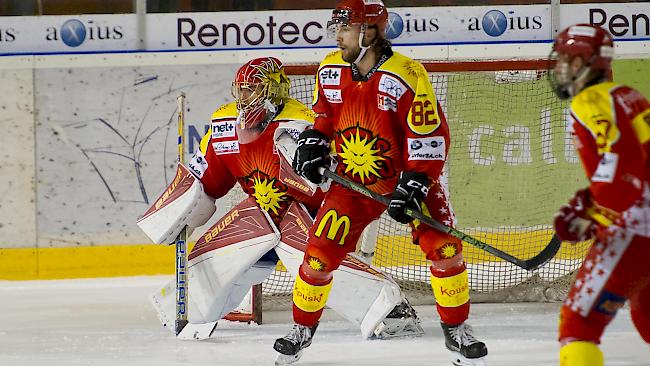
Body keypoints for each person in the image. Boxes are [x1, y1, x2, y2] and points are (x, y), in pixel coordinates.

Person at [137, 56, 423, 343]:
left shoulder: (302, 123)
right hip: (260, 212)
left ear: (273, 89)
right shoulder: (224, 125)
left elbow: (330, 178)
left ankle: (388, 308)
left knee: (312, 256)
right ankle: (186, 310)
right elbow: (206, 179)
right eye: (241, 89)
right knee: (210, 252)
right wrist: (182, 206)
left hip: (311, 214)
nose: (244, 97)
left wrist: (315, 166)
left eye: (252, 89)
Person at [274, 1, 488, 365]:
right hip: (352, 184)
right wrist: (314, 142)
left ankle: (457, 330)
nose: (337, 35)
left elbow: (430, 137)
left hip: (406, 179)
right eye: (337, 28)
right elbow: (325, 117)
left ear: (369, 31)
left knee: (446, 248)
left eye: (346, 28)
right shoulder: (330, 70)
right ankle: (301, 331)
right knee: (317, 257)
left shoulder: (406, 74)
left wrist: (417, 182)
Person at [550, 24, 650, 365]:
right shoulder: (628, 95)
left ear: (590, 62)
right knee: (647, 317)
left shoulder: (591, 99)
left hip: (637, 228)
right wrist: (592, 203)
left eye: (569, 59)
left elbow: (622, 162)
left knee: (579, 324)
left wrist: (591, 211)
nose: (562, 67)